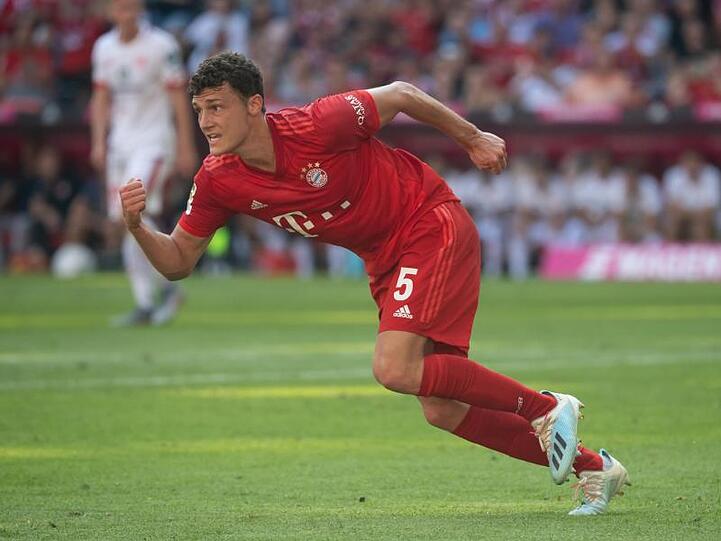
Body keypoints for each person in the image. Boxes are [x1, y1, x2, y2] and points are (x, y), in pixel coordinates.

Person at [119, 52, 630, 515]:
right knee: (441, 408)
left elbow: (403, 94)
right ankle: (594, 470)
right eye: (199, 110)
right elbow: (179, 260)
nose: (206, 122)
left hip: (428, 222)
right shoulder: (217, 178)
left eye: (217, 107)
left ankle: (546, 408)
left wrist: (472, 138)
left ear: (254, 105)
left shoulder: (318, 124)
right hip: (385, 260)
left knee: (394, 367)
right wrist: (138, 227)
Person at [90, 0, 197, 325]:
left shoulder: (161, 45)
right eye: (120, 8)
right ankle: (154, 297)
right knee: (128, 221)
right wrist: (99, 142)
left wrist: (185, 145)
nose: (126, 14)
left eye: (131, 7)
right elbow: (101, 98)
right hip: (120, 144)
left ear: (140, 9)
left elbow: (178, 97)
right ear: (110, 11)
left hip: (154, 142)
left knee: (133, 214)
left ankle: (163, 287)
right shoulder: (103, 47)